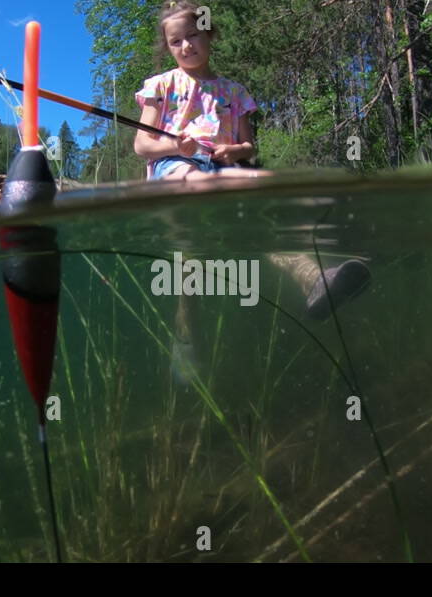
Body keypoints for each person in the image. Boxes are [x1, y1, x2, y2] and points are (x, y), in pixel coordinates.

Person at [134, 1, 372, 384]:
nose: (186, 46)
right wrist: (175, 147)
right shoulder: (160, 87)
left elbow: (249, 147)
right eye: (175, 41)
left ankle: (316, 279)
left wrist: (233, 151)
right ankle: (187, 343)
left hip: (225, 173)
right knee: (188, 274)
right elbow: (142, 146)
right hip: (175, 174)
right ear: (168, 47)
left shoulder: (234, 92)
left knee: (263, 224)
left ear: (209, 33)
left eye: (193, 35)